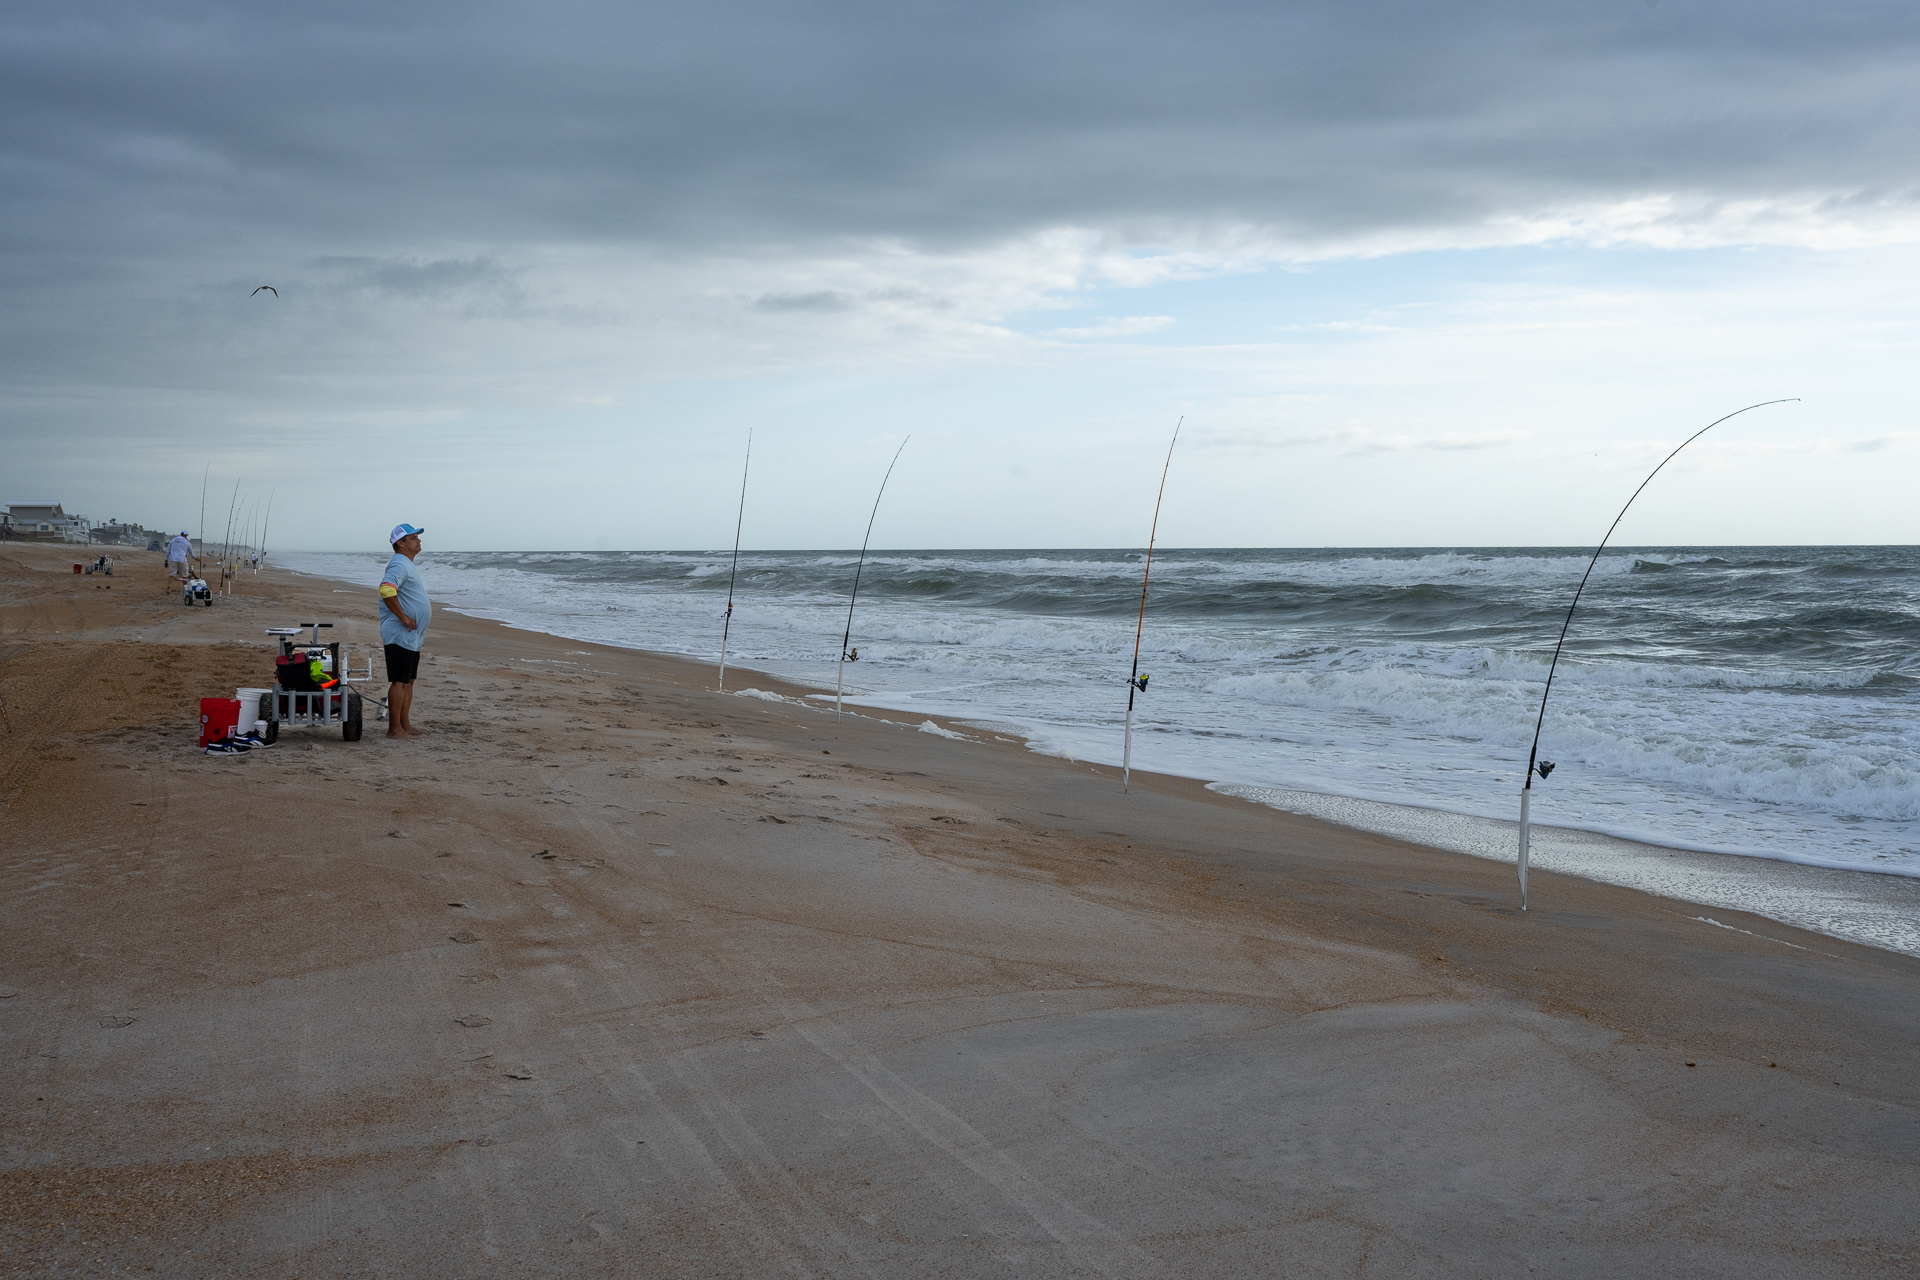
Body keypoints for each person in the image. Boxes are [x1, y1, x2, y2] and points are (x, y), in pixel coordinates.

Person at [378, 523, 432, 739]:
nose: (418, 540)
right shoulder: (399, 563)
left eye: (417, 537)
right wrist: (403, 617)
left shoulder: (407, 564)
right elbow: (386, 588)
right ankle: (394, 730)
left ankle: (405, 725)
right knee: (400, 681)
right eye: (413, 538)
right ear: (400, 543)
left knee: (409, 680)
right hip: (399, 632)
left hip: (411, 635)